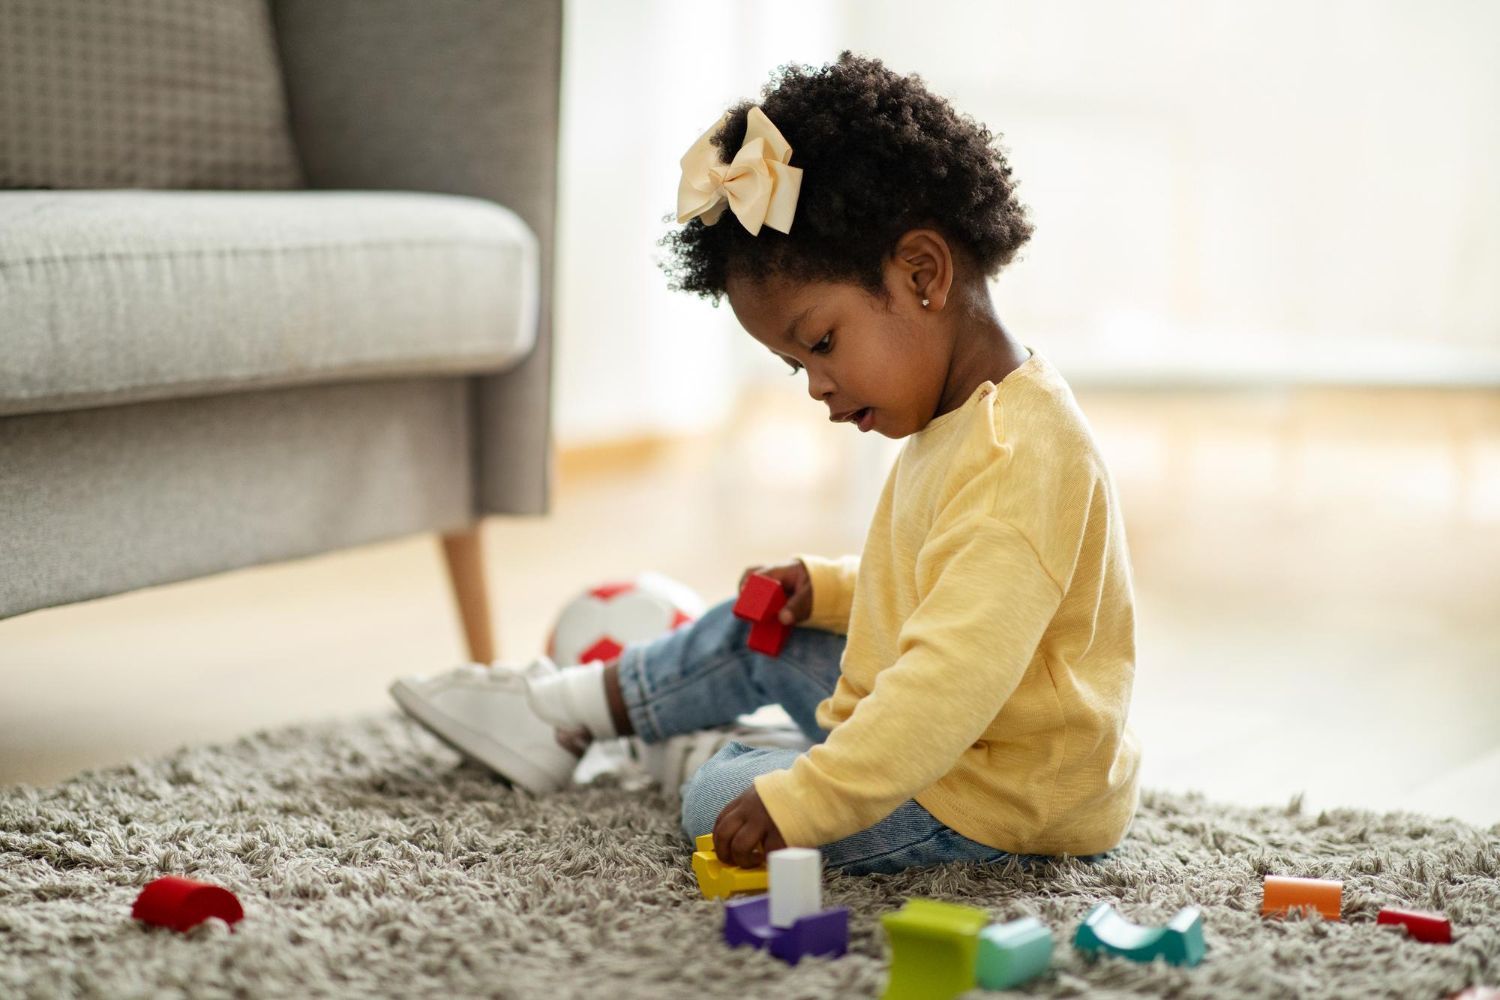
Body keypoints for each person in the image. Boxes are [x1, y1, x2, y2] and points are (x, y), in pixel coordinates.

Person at [392, 51, 1140, 877]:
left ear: (922, 273)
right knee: (767, 626)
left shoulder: (1015, 455)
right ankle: (565, 713)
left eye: (821, 344)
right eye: (796, 364)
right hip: (960, 736)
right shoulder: (967, 413)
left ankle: (716, 752)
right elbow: (944, 589)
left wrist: (801, 801)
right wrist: (829, 588)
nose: (817, 387)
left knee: (716, 802)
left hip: (994, 800)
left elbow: (948, 681)